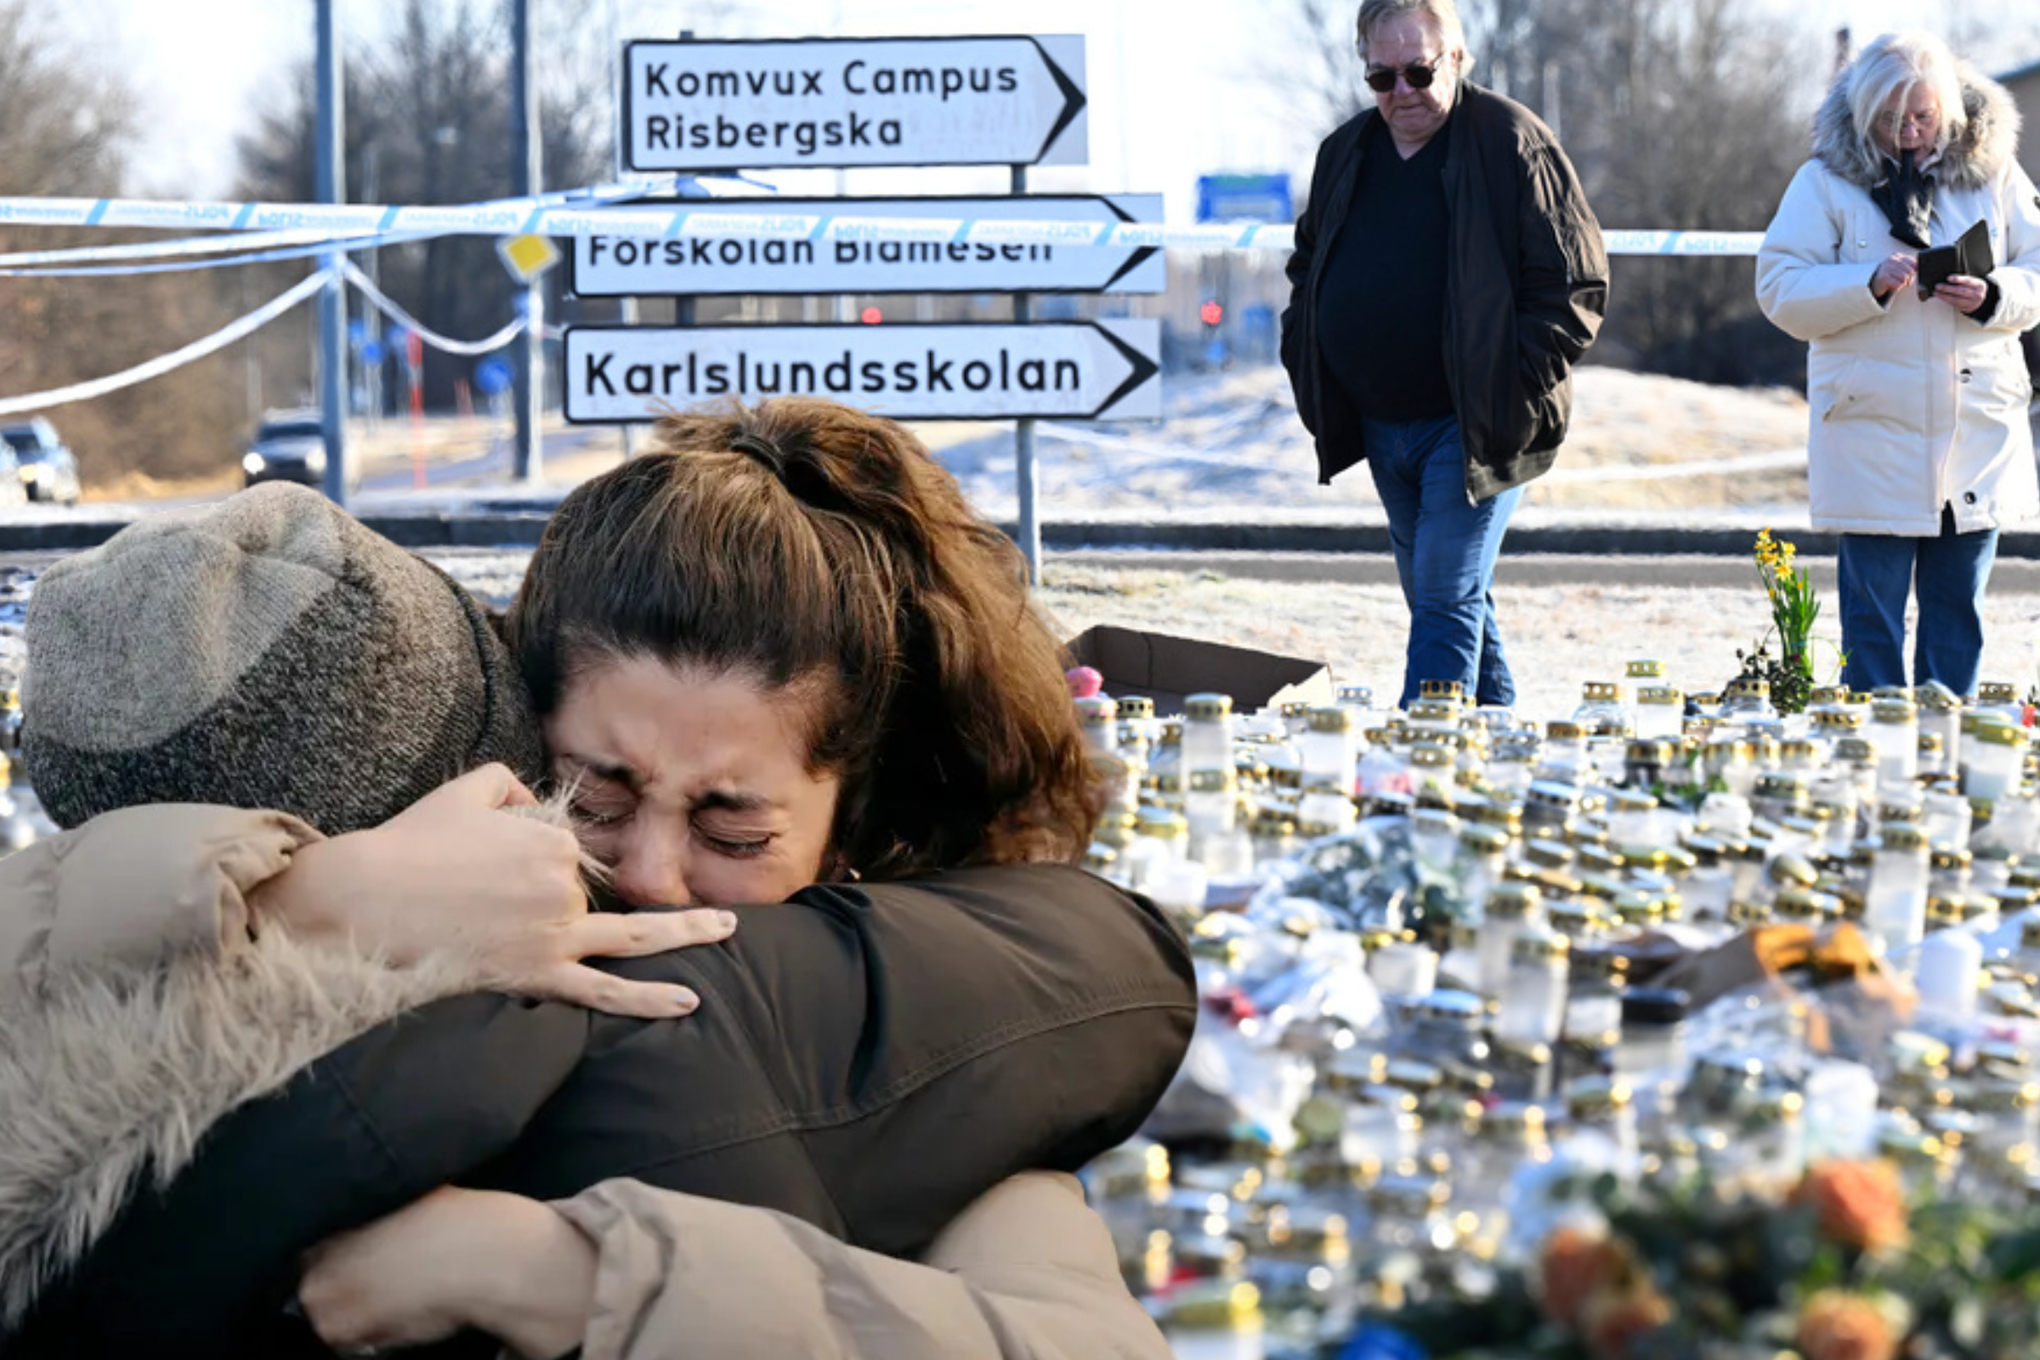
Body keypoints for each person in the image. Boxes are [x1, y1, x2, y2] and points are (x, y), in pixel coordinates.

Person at [1, 404, 1191, 1358]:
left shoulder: (926, 1040)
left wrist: (583, 1280)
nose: (651, 872)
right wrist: (302, 899)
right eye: (597, 799)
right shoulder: (377, 911)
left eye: (733, 831)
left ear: (853, 830)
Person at [1280, 0, 1607, 710]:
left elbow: (1574, 285)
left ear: (1456, 58)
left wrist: (1506, 389)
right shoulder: (1344, 152)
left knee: (1442, 596)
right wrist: (1305, 347)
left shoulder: (1513, 141)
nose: (1401, 92)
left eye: (1419, 72)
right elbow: (1306, 267)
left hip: (1474, 423)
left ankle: (1421, 763)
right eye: (1381, 76)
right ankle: (1496, 742)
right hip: (1380, 424)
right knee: (1446, 596)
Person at [1756, 31, 2040, 697]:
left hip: (1974, 437)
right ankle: (1870, 766)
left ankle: (1942, 766)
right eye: (1889, 119)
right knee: (1872, 626)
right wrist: (1867, 284)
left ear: (1951, 110)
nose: (1907, 133)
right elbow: (1777, 288)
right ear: (1862, 113)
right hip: (1868, 434)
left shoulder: (1997, 173)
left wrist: (1995, 295)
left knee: (1956, 619)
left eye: (1923, 117)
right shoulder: (1821, 181)